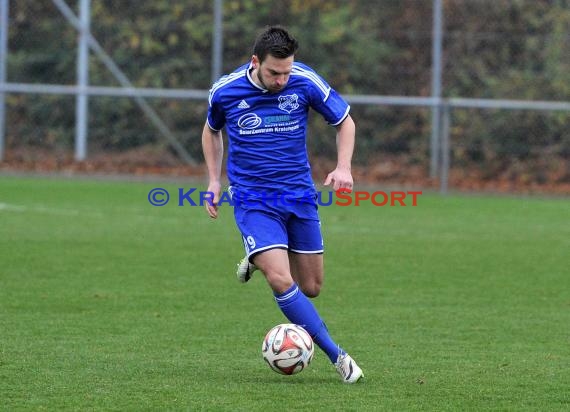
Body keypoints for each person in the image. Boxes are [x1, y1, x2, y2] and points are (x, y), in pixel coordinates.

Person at [201, 25, 363, 383]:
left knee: (311, 287)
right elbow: (211, 129)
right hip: (253, 198)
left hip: (298, 195)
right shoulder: (226, 91)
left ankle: (258, 255)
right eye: (275, 72)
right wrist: (214, 180)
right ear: (255, 62)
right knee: (280, 279)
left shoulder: (304, 81)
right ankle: (338, 356)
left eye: (287, 71)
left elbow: (345, 121)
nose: (281, 80)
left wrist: (343, 167)